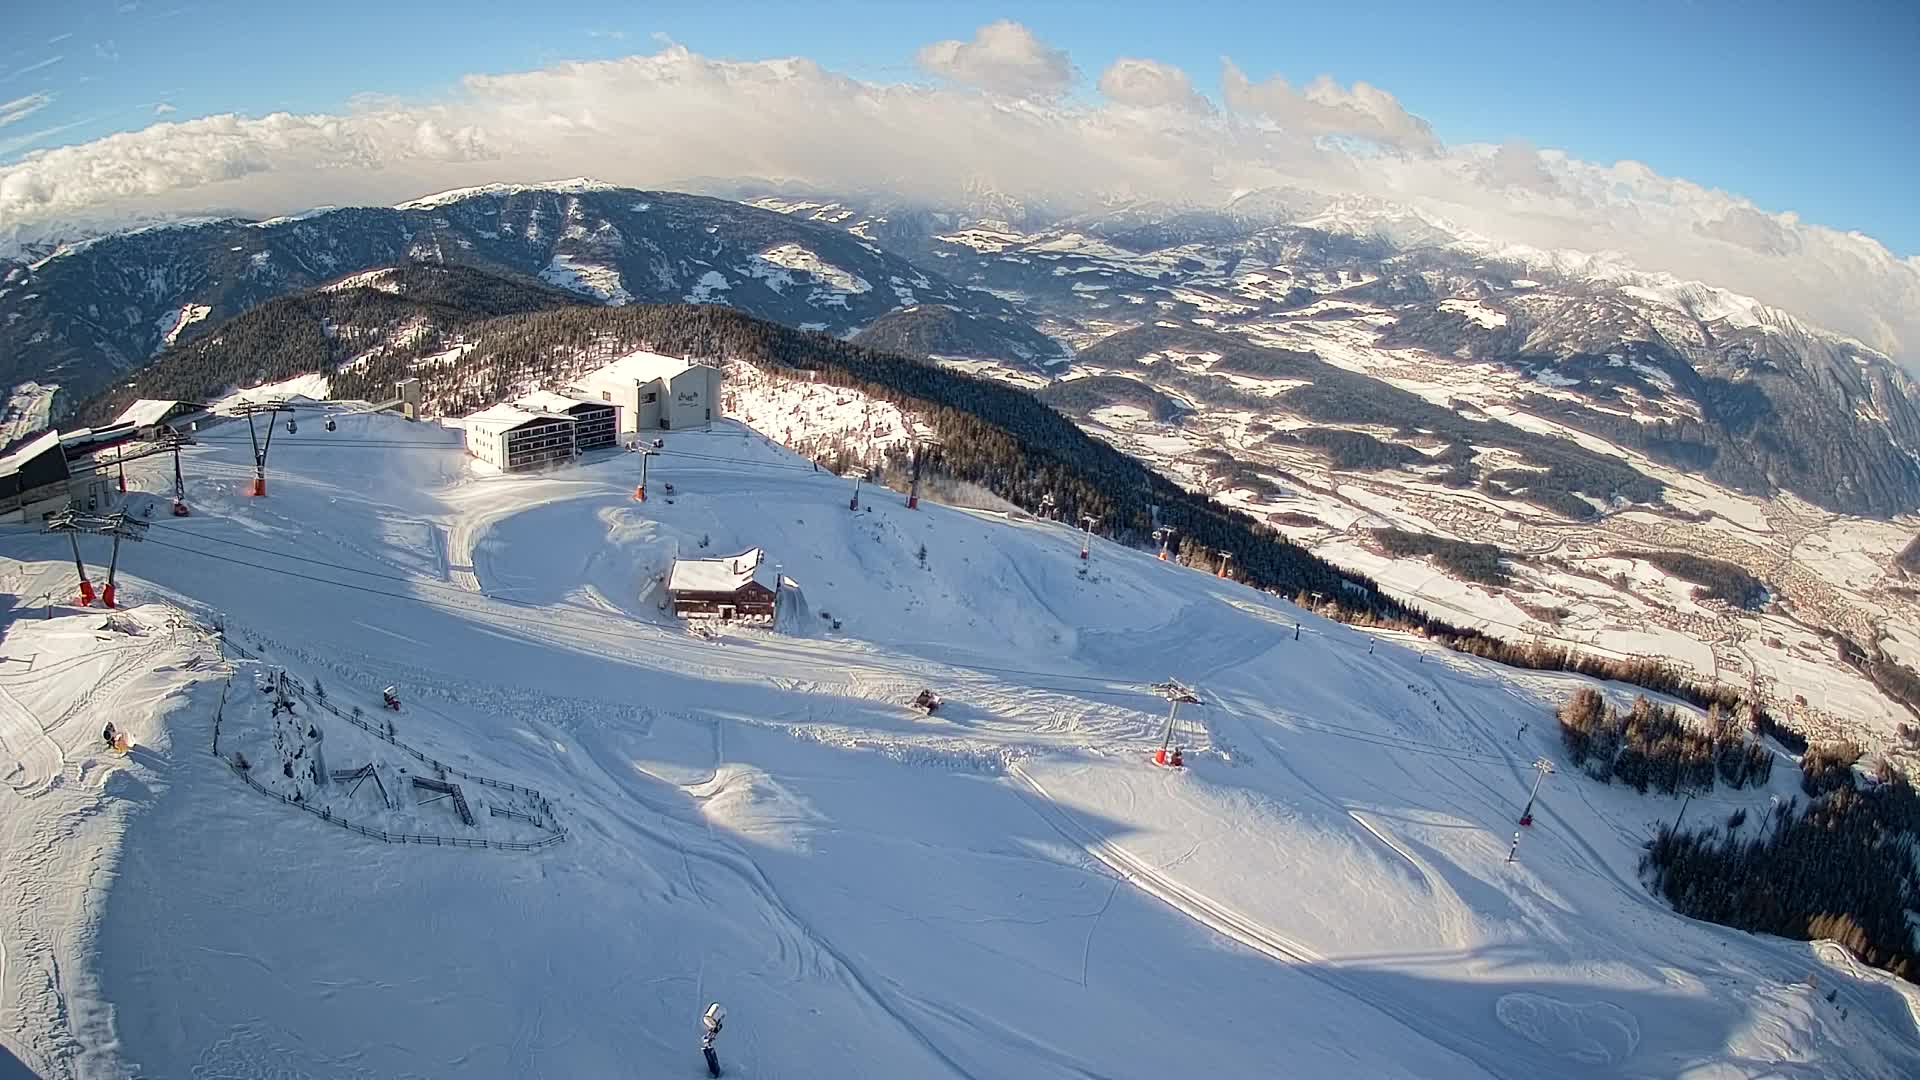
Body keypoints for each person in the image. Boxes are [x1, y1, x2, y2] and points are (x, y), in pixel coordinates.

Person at [701, 1002, 726, 1077]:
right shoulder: (720, 1012)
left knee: (714, 1028)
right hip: (711, 1020)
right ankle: (714, 1071)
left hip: (709, 1019)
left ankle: (715, 1071)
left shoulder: (718, 1011)